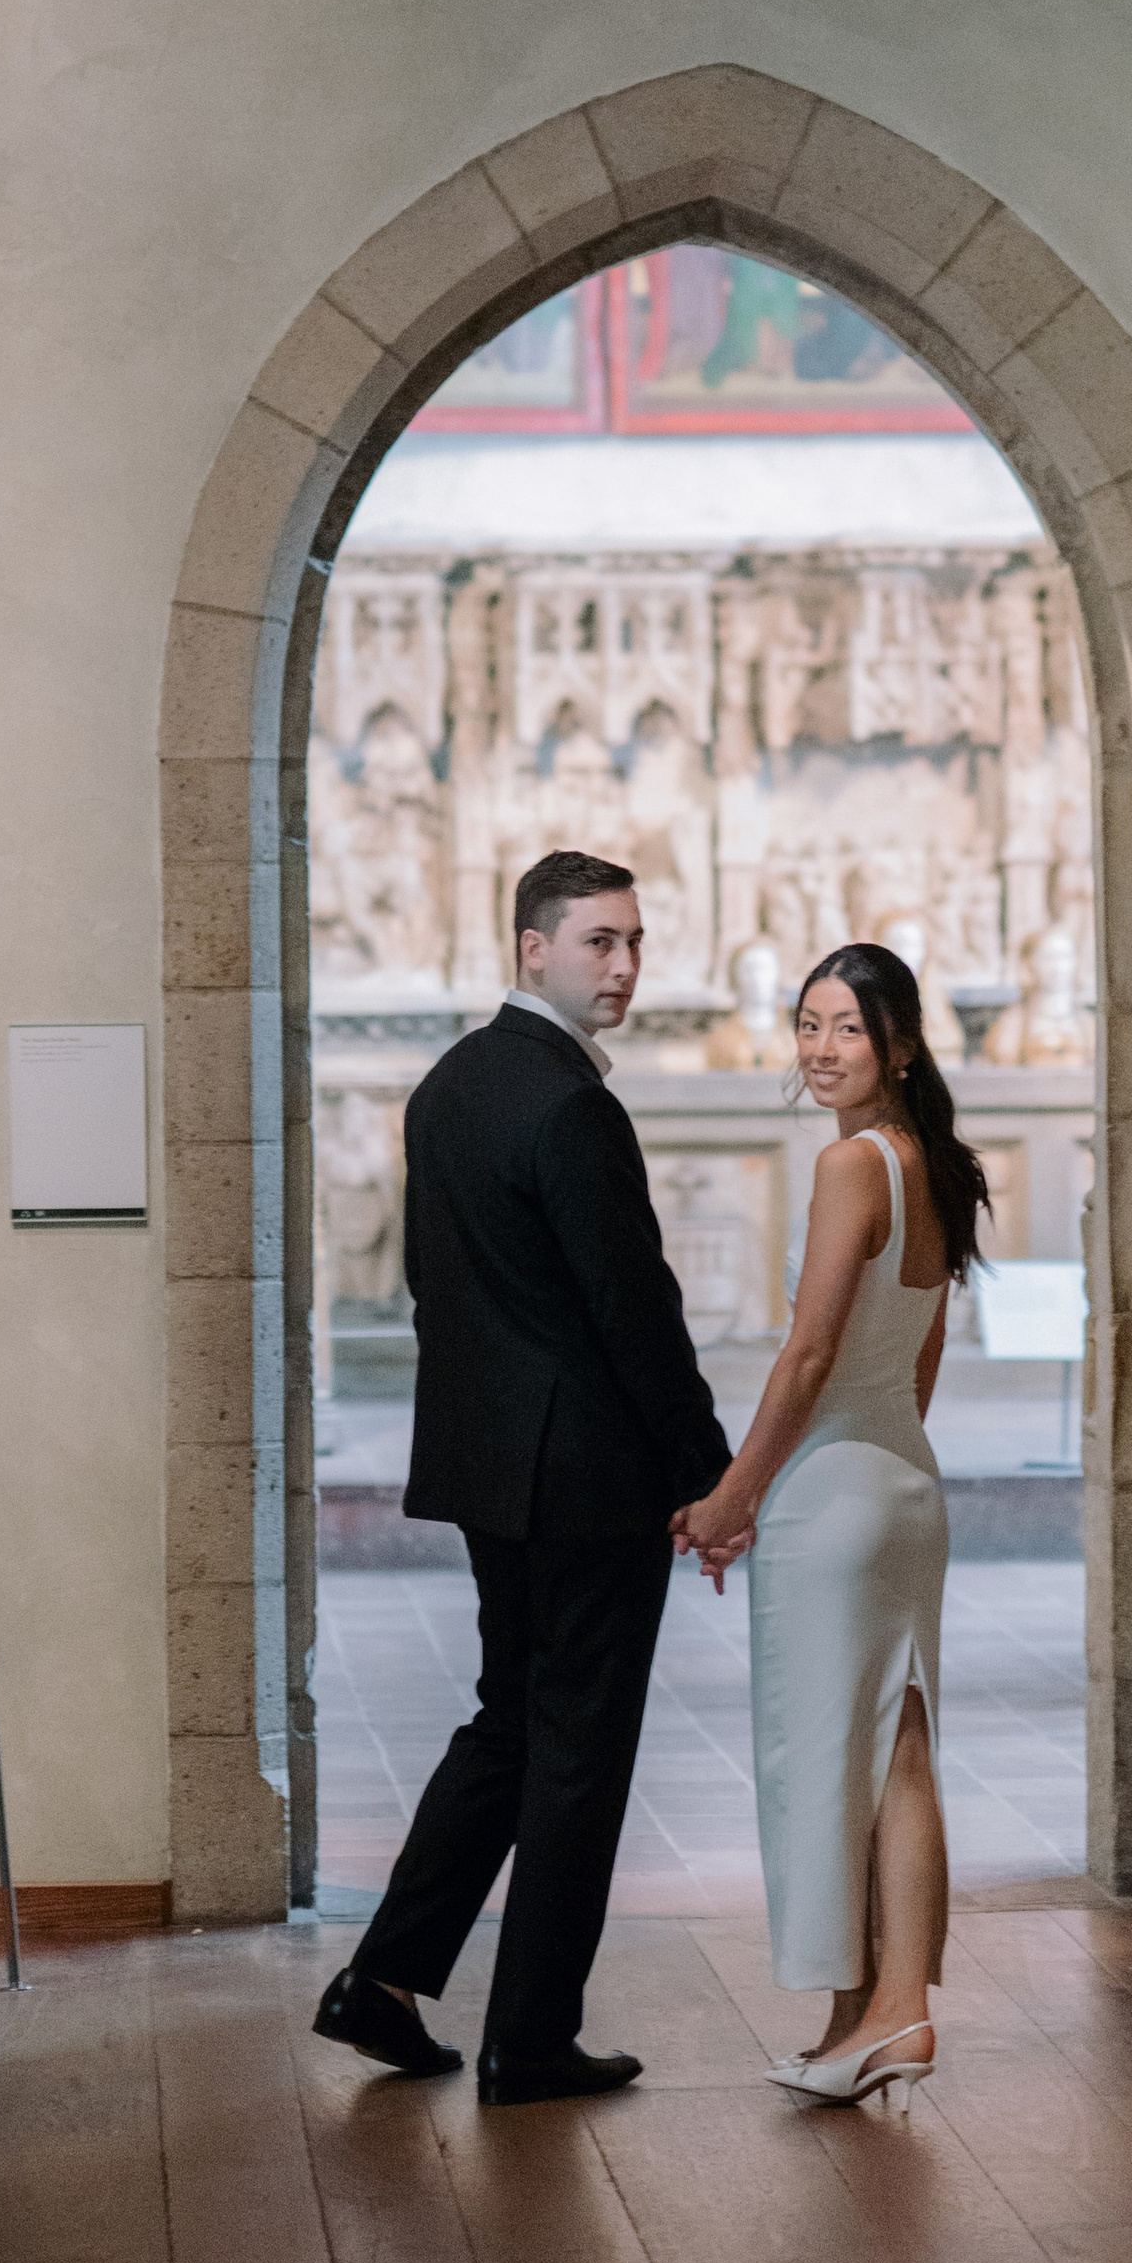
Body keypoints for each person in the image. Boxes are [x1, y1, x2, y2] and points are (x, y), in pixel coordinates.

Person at [311, 848, 728, 2107]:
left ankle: (379, 1983)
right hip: (590, 1476)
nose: (624, 965)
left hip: (497, 1467)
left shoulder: (449, 1086)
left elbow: (442, 1291)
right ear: (530, 947)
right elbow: (632, 1312)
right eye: (598, 940)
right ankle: (530, 2035)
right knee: (575, 1752)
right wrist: (708, 1471)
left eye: (635, 941)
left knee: (511, 1725)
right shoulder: (568, 1103)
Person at [676, 940, 988, 2112]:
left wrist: (731, 1497)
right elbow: (926, 1349)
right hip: (904, 1477)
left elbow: (806, 1355)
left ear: (897, 1045)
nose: (819, 1048)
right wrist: (880, 1448)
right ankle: (873, 2015)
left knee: (826, 1763)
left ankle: (884, 2009)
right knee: (897, 1751)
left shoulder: (853, 1165)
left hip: (832, 1494)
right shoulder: (933, 1163)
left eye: (845, 1028)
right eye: (806, 1024)